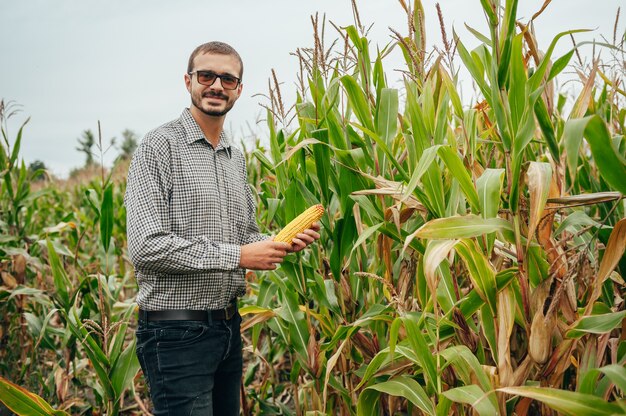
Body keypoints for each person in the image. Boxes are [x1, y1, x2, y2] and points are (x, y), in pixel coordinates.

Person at [125, 41, 321, 415]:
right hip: (176, 335)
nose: (216, 85)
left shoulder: (235, 157)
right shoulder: (158, 146)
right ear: (188, 82)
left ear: (238, 90)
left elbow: (244, 234)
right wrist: (240, 256)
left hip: (228, 328)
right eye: (206, 75)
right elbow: (146, 246)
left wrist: (280, 242)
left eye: (227, 79)